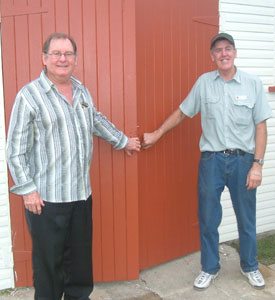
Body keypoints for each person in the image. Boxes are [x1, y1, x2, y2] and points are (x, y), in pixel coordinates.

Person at [6, 32, 141, 300]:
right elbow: (15, 150)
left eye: (68, 54)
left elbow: (96, 121)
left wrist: (123, 141)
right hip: (46, 199)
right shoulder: (29, 96)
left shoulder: (81, 91)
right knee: (48, 267)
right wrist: (28, 190)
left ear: (75, 60)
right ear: (44, 59)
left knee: (79, 263)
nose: (62, 59)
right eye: (56, 53)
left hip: (81, 195)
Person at [142, 33, 272, 290]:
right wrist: (157, 133)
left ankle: (250, 265)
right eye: (218, 50)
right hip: (211, 161)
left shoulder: (252, 83)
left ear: (235, 52)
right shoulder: (204, 83)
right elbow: (182, 112)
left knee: (246, 218)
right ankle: (210, 267)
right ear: (212, 56)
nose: (223, 54)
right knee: (208, 217)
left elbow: (261, 127)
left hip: (243, 162)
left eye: (228, 49)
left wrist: (257, 164)